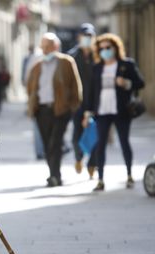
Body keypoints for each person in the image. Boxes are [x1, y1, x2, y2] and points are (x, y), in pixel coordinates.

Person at [83, 33, 145, 191]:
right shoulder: (97, 68)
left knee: (124, 141)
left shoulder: (127, 64)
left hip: (121, 110)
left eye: (107, 47)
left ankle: (130, 175)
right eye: (101, 48)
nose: (104, 50)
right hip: (102, 110)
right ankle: (101, 179)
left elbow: (140, 83)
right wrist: (87, 112)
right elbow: (91, 92)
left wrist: (127, 83)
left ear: (115, 48)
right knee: (100, 144)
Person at [27, 32, 81, 187]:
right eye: (42, 46)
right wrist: (32, 105)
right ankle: (53, 174)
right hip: (41, 110)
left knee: (55, 142)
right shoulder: (37, 66)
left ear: (56, 46)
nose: (44, 50)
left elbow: (76, 86)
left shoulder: (66, 62)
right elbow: (31, 87)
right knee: (46, 144)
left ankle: (55, 176)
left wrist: (72, 107)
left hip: (60, 110)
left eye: (48, 46)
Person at [67, 22, 97, 178]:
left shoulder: (98, 56)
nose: (87, 39)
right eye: (84, 36)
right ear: (79, 37)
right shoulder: (71, 56)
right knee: (77, 136)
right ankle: (79, 158)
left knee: (95, 135)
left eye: (90, 36)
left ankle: (92, 163)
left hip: (94, 102)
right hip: (77, 103)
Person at [22, 45, 45, 159]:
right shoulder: (38, 59)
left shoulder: (33, 58)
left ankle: (40, 151)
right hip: (38, 98)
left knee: (38, 126)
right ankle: (41, 150)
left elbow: (26, 78)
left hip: (36, 97)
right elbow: (28, 78)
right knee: (38, 125)